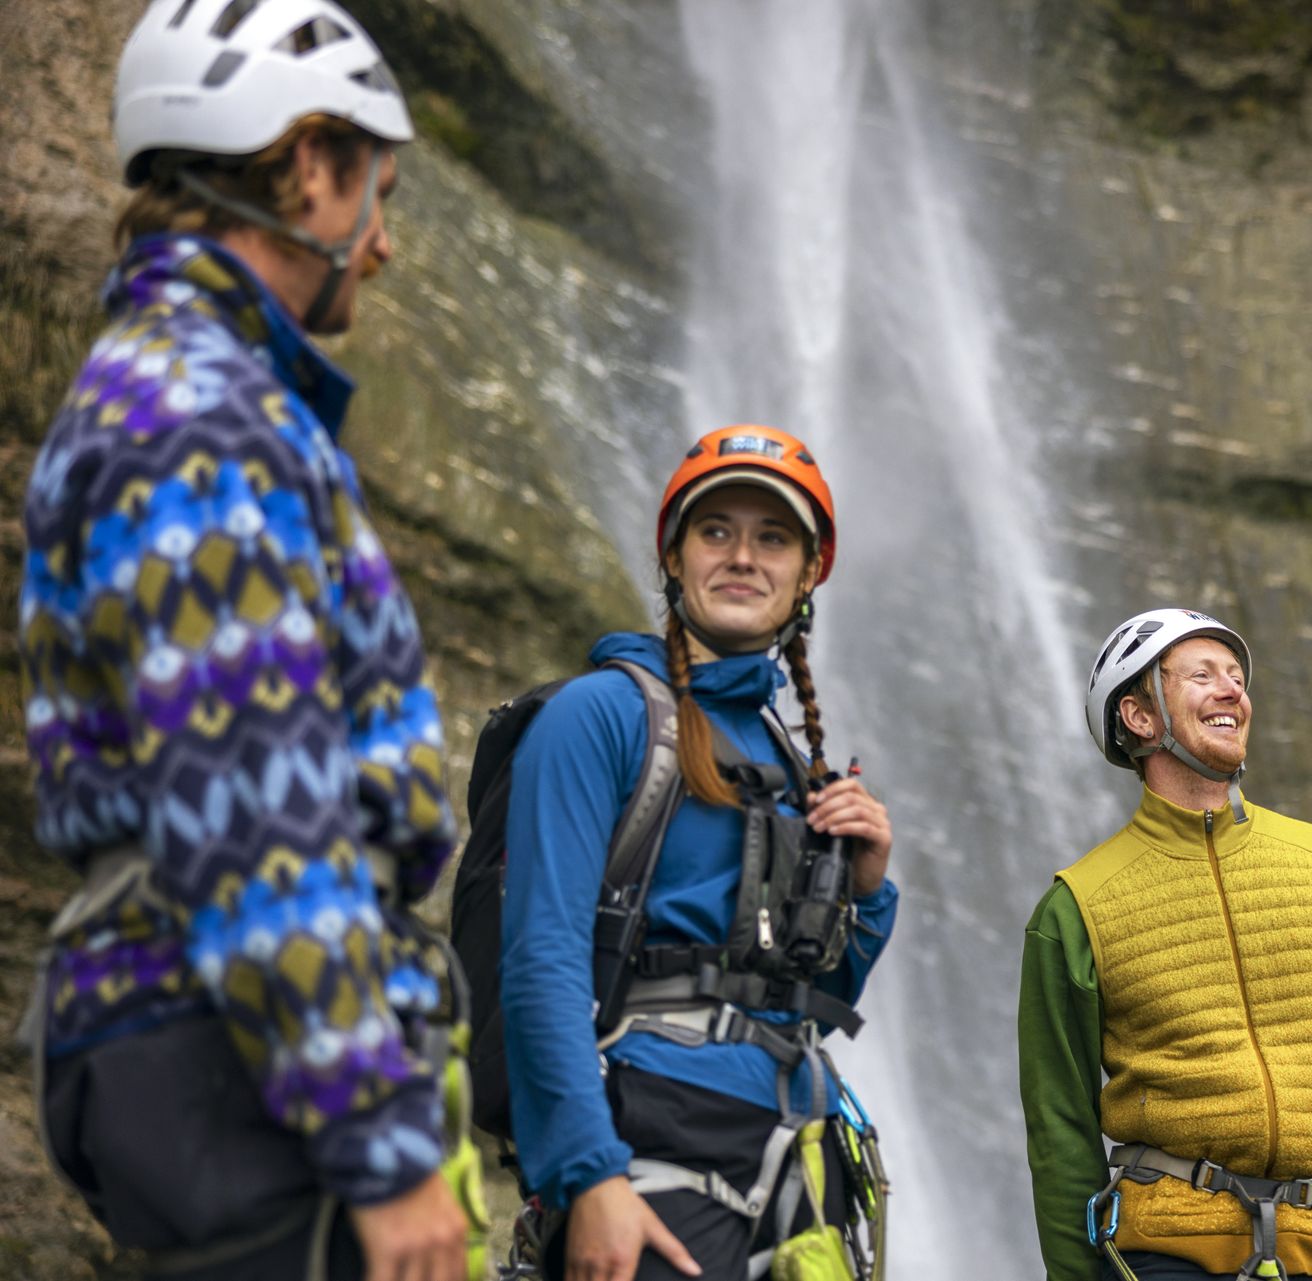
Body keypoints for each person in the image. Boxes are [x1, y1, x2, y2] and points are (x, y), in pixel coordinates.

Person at [19, 2, 473, 1278]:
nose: (382, 242)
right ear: (310, 162)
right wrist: (380, 1144)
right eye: (376, 188)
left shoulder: (180, 387)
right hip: (237, 1079)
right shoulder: (198, 420)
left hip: (216, 1053)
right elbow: (251, 804)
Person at [497, 423, 899, 1281]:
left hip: (805, 1166)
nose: (743, 556)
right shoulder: (599, 717)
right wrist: (588, 1172)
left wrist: (864, 892)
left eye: (773, 537)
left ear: (808, 574)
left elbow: (805, 997)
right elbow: (541, 960)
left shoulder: (793, 761)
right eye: (716, 531)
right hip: (651, 1149)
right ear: (673, 558)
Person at [1020, 608, 1312, 1281]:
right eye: (1202, 675)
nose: (1232, 691)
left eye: (1238, 678)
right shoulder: (1076, 907)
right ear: (1139, 716)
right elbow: (1059, 1130)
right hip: (1168, 1253)